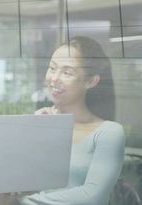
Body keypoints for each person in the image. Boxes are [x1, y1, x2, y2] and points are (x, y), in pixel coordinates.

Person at [17, 37, 125, 205]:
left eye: (67, 72)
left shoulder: (109, 132)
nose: (54, 78)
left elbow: (93, 196)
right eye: (52, 68)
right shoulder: (41, 121)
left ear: (91, 81)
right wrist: (34, 131)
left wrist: (20, 201)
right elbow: (17, 181)